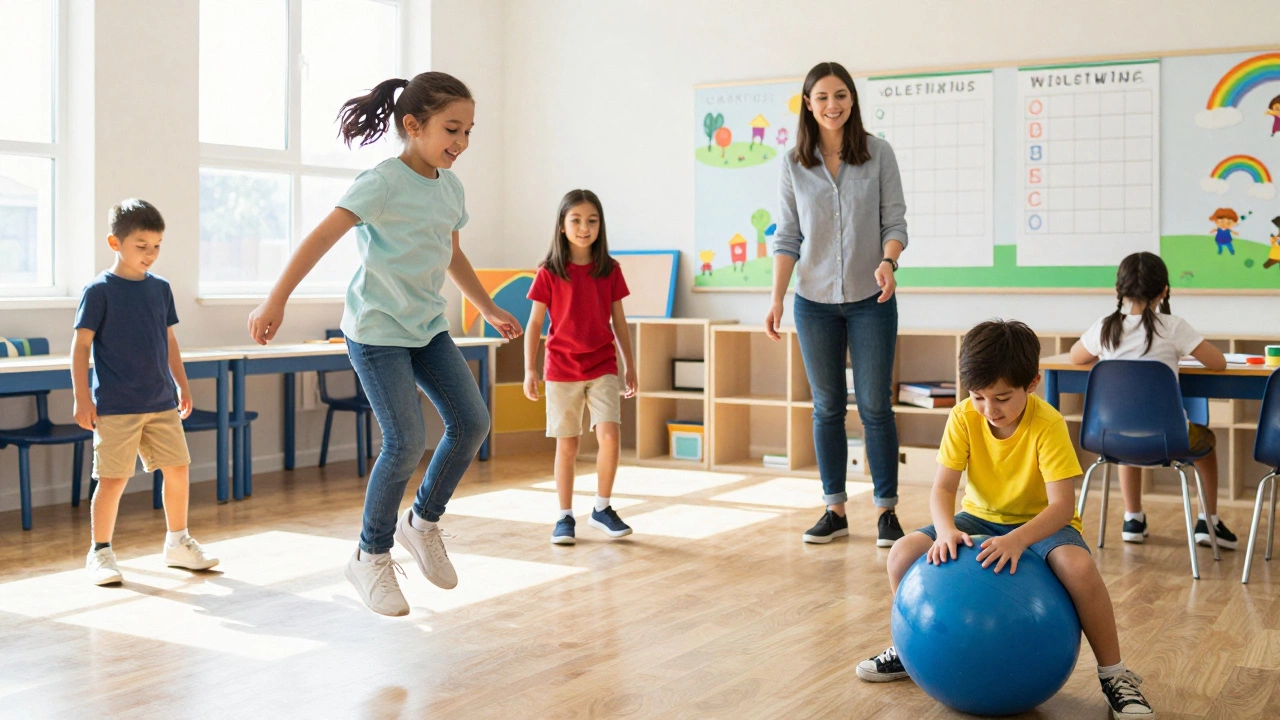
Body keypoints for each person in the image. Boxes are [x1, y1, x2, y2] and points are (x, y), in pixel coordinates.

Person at [248, 72, 522, 617]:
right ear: (412, 125)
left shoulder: (450, 186)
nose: (461, 142)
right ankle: (369, 556)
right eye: (451, 129)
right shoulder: (382, 182)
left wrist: (487, 306)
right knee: (405, 440)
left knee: (472, 423)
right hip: (376, 332)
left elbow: (451, 253)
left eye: (469, 131)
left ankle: (422, 521)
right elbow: (320, 239)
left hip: (426, 328)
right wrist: (274, 299)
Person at [856, 320, 1154, 719]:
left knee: (1078, 567)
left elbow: (1062, 506)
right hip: (978, 518)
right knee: (901, 552)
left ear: (1032, 382)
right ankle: (912, 646)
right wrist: (946, 531)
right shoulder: (964, 418)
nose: (989, 410)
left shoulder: (1047, 425)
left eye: (1001, 398)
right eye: (978, 397)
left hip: (1042, 523)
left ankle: (1114, 674)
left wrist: (1017, 540)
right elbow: (943, 490)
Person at [766, 61, 907, 546]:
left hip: (872, 299)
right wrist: (775, 300)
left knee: (874, 406)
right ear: (808, 104)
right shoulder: (791, 165)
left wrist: (889, 262)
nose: (833, 105)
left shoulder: (879, 154)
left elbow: (895, 224)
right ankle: (835, 509)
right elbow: (787, 237)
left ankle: (886, 511)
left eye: (841, 95)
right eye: (822, 97)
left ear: (852, 100)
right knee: (826, 407)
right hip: (813, 301)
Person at [73, 199, 218, 585]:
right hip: (117, 406)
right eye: (141, 246)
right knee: (113, 479)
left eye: (156, 246)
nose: (150, 254)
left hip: (160, 402)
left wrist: (182, 385)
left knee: (178, 469)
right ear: (115, 243)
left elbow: (168, 340)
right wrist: (82, 397)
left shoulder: (160, 290)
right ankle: (100, 551)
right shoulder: (98, 291)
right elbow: (81, 347)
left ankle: (177, 542)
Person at [1070, 251, 1236, 548]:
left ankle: (1132, 518)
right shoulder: (1173, 327)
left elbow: (1075, 356)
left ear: (1118, 290)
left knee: (1128, 431)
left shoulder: (1106, 326)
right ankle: (1207, 522)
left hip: (1110, 438)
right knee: (1206, 443)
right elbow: (1219, 363)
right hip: (1170, 438)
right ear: (1163, 291)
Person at [523, 189, 637, 545]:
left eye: (592, 221)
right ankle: (565, 516)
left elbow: (619, 323)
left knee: (610, 435)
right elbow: (535, 325)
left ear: (600, 226)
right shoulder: (549, 273)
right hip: (561, 369)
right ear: (561, 226)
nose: (584, 228)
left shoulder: (610, 270)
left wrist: (629, 366)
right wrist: (530, 369)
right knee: (567, 445)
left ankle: (602, 509)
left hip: (602, 364)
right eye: (576, 220)